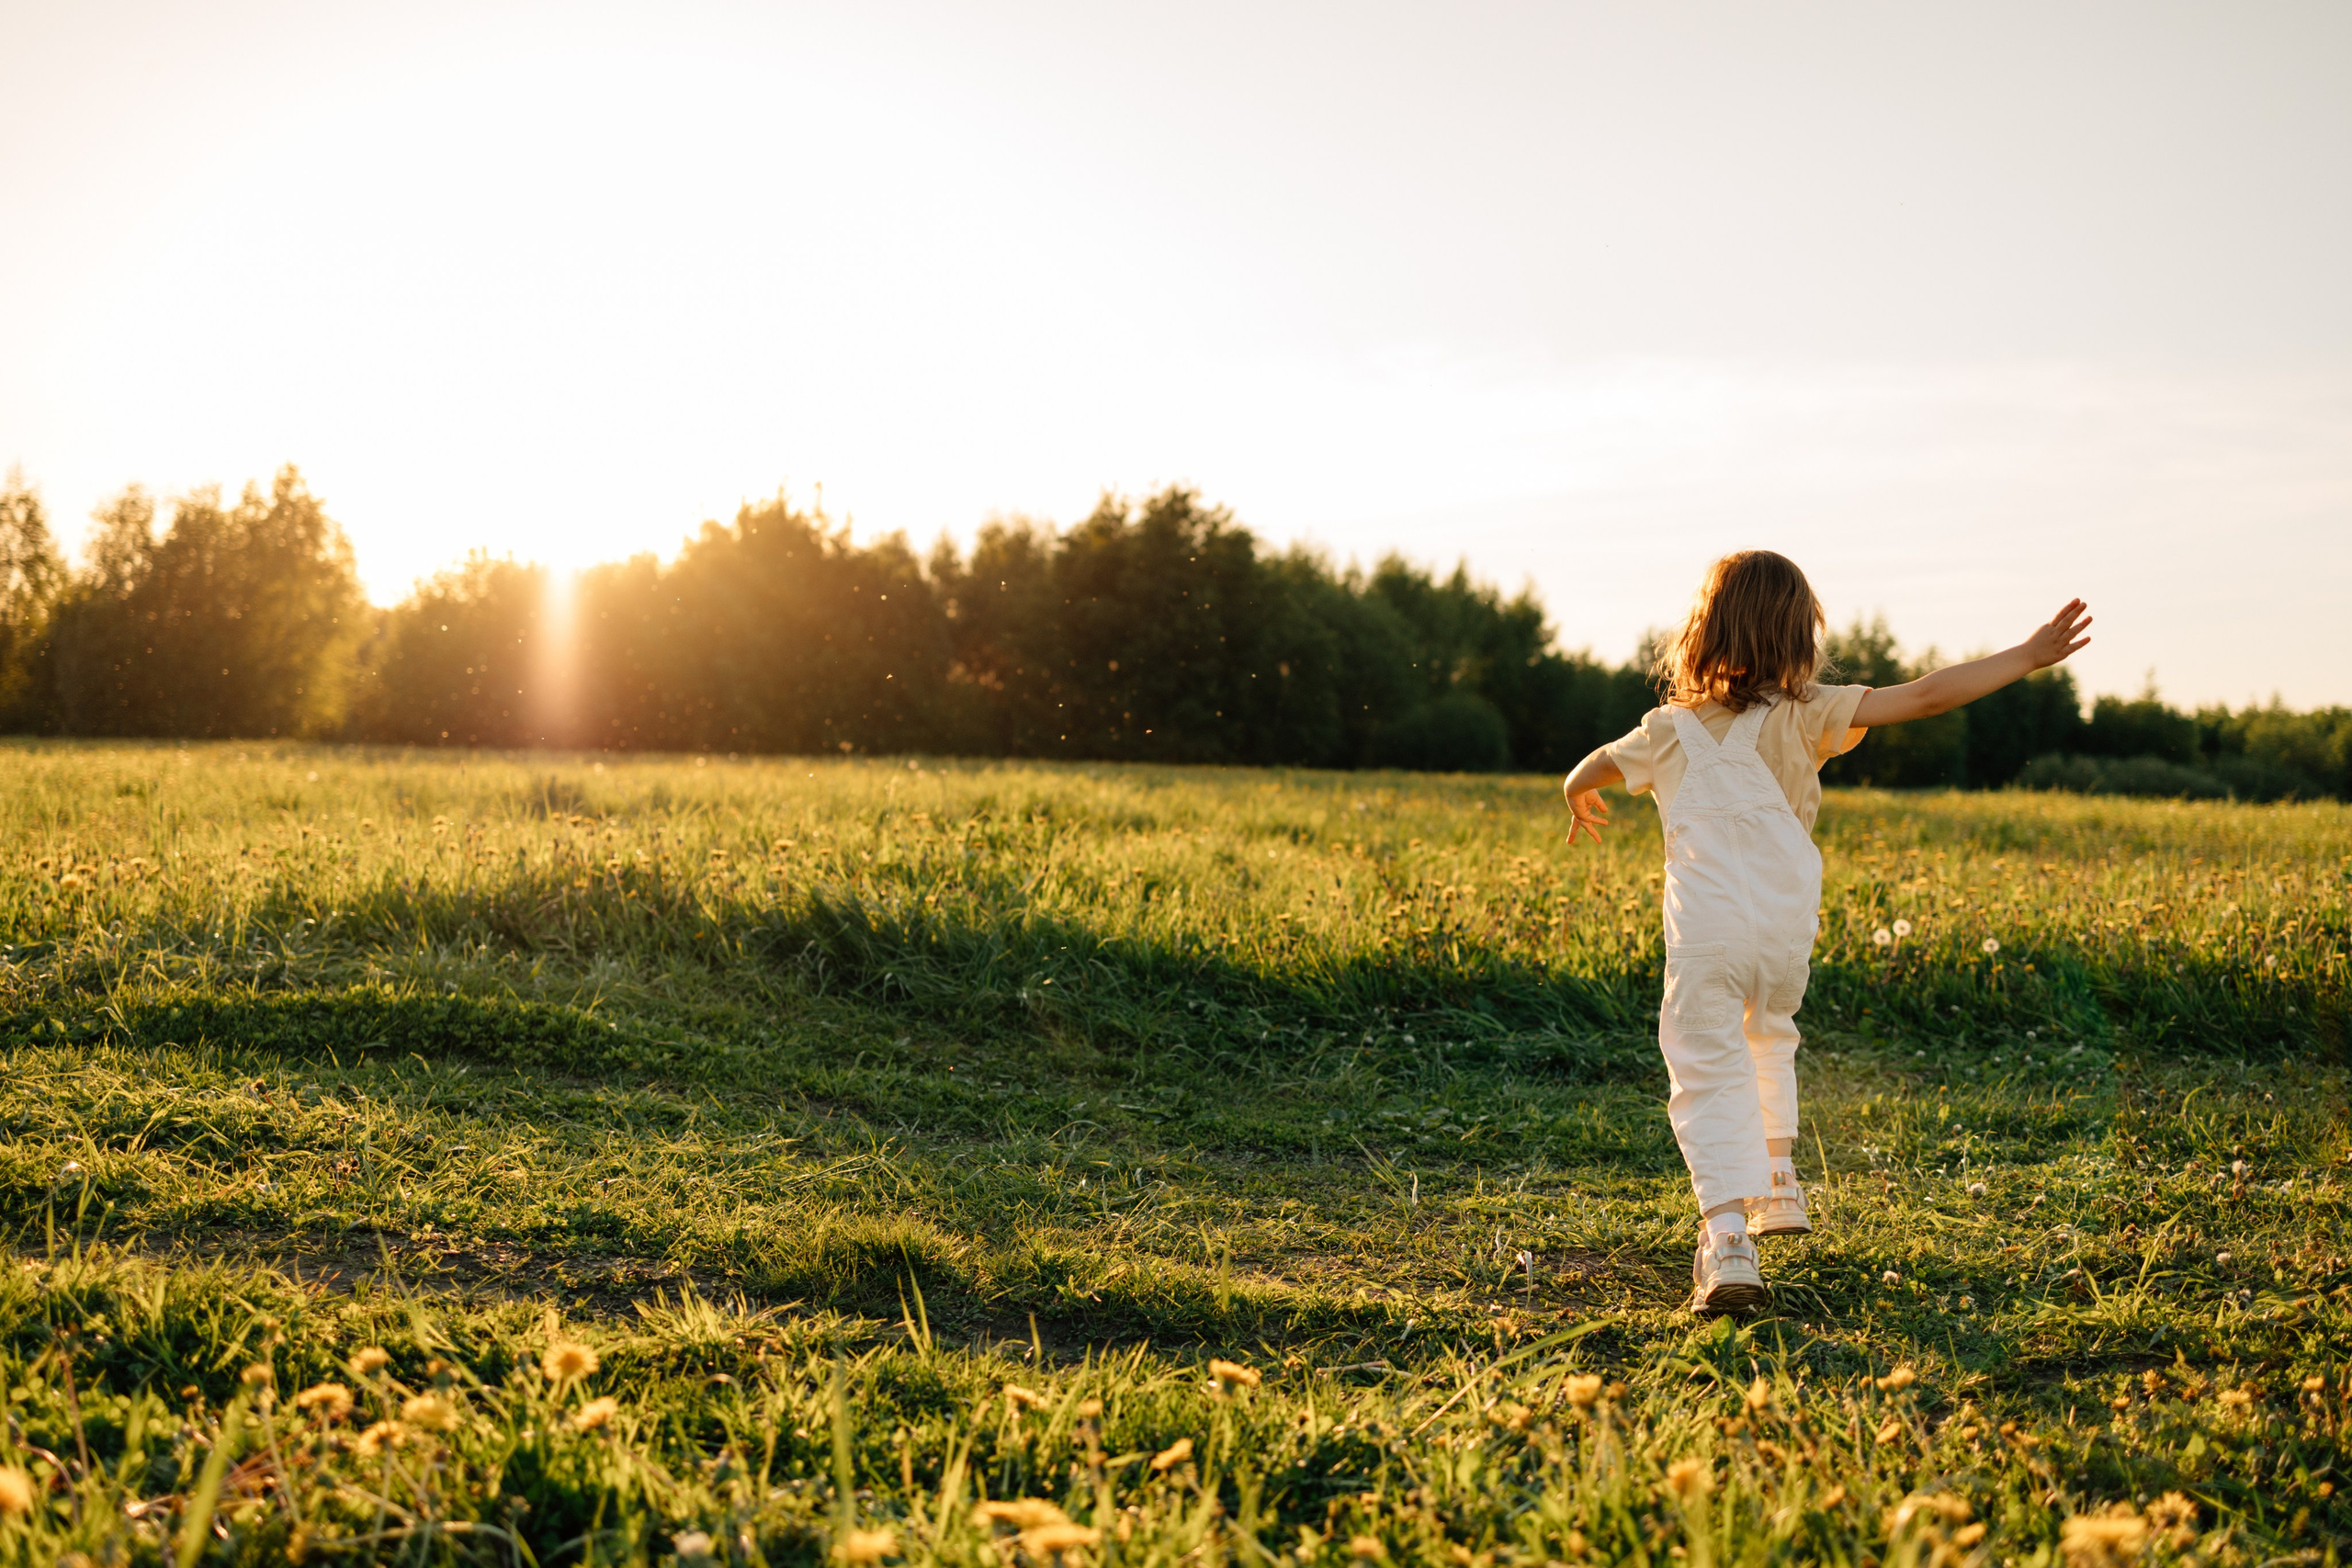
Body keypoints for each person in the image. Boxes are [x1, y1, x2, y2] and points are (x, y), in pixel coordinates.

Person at [1557, 551, 2091, 1314]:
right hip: (1782, 933)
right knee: (1768, 1036)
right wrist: (2027, 655)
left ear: (1701, 631)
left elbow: (1591, 768)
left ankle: (1729, 1238)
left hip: (1708, 933)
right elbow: (1930, 695)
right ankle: (1778, 1180)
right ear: (1797, 634)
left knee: (1706, 1062)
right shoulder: (1809, 711)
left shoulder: (1666, 730)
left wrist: (1575, 794)